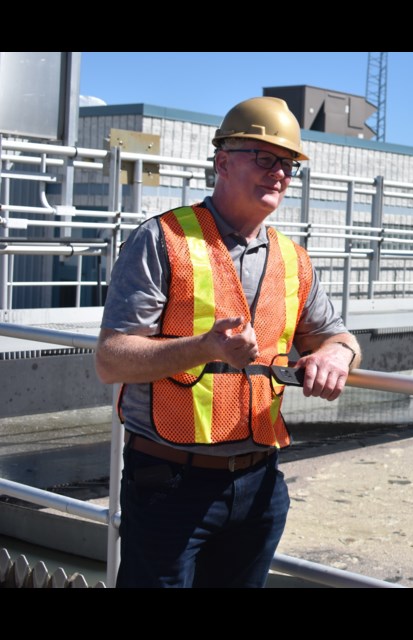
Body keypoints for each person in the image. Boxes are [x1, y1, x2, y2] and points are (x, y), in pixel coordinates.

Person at [95, 96, 362, 588]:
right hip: (169, 484)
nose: (278, 173)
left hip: (259, 485)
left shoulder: (294, 259)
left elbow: (336, 335)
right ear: (222, 162)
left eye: (288, 165)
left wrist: (336, 353)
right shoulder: (162, 239)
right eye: (264, 158)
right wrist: (204, 347)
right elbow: (112, 359)